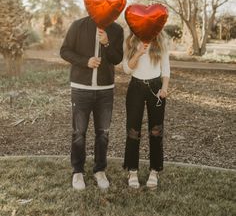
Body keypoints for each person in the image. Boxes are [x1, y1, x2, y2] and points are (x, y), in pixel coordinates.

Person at [60, 12, 123, 191]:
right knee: (79, 132)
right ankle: (77, 171)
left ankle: (99, 170)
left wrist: (107, 43)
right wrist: (85, 62)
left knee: (103, 133)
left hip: (105, 90)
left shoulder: (117, 29)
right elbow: (64, 51)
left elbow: (117, 58)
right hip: (81, 88)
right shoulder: (78, 25)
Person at [123, 30, 170, 189]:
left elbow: (166, 67)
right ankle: (132, 170)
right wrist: (138, 53)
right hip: (135, 86)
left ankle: (155, 171)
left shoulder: (160, 40)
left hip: (156, 87)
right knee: (133, 130)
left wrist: (164, 88)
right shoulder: (131, 40)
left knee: (156, 131)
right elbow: (127, 69)